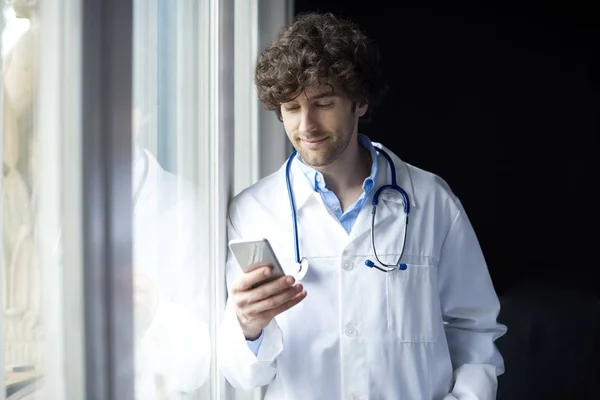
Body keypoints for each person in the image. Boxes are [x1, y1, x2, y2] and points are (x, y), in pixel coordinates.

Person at [218, 12, 507, 400]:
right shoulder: (252, 213)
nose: (307, 126)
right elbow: (244, 376)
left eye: (323, 103)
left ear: (359, 101)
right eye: (291, 109)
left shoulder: (432, 200)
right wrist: (249, 327)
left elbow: (474, 330)